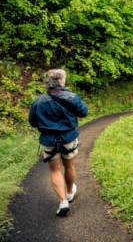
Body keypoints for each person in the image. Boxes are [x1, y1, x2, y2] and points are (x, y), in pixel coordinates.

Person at [29, 69, 88, 217]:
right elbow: (83, 112)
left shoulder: (39, 101)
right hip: (69, 138)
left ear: (47, 83)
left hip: (49, 140)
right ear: (62, 81)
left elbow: (33, 122)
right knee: (69, 165)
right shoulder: (72, 97)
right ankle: (69, 193)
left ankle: (63, 202)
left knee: (55, 170)